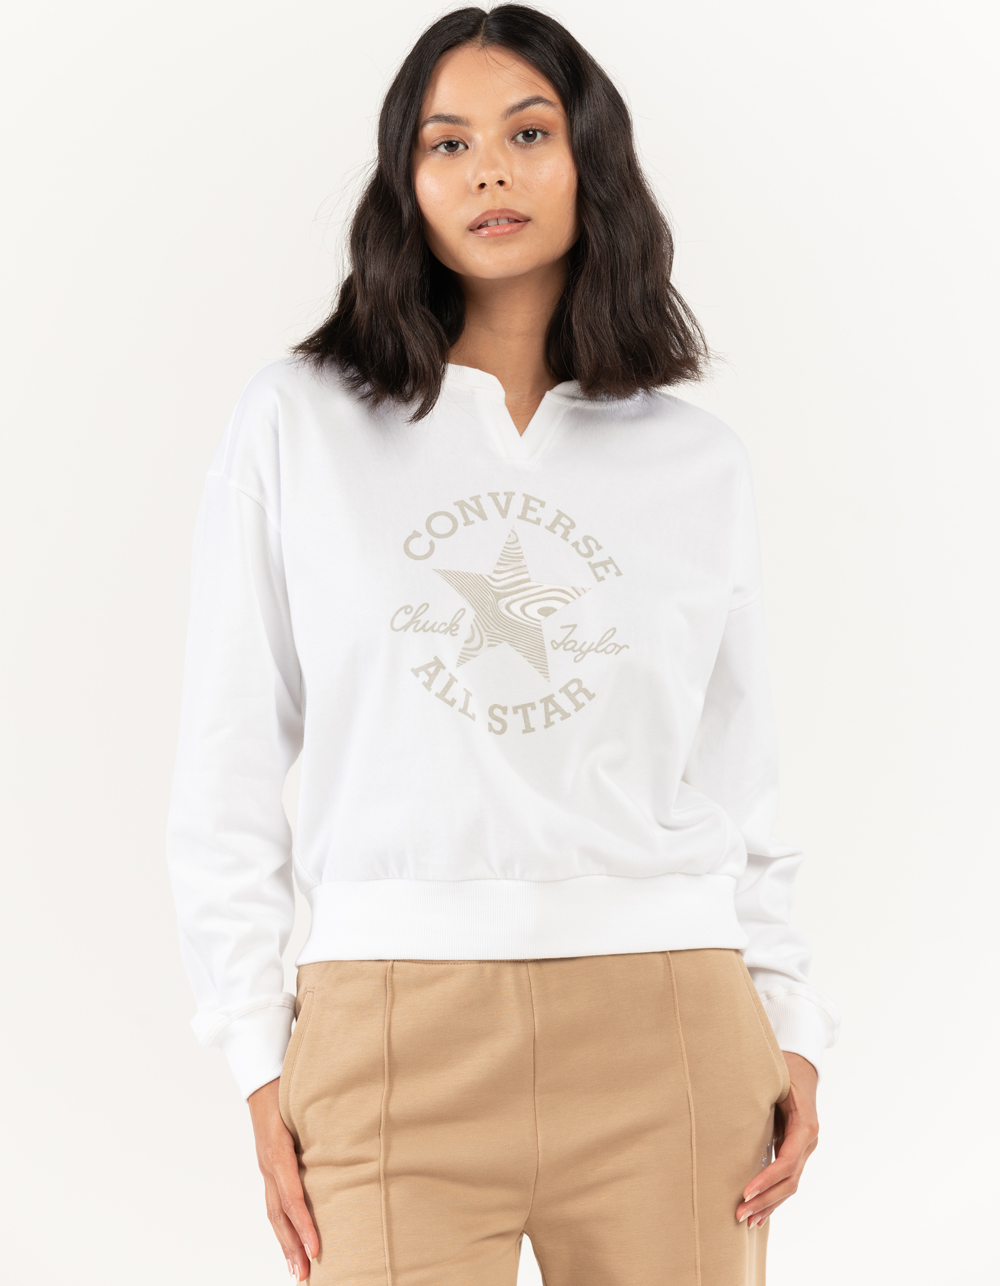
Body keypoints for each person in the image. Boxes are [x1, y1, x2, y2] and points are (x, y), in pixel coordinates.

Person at [166, 6, 840, 1283]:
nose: (488, 171)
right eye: (448, 143)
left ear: (591, 160)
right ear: (405, 181)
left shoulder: (693, 460)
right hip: (387, 1030)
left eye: (528, 134)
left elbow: (738, 768)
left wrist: (792, 1017)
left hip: (669, 1024)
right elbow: (228, 751)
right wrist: (255, 1048)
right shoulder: (300, 422)